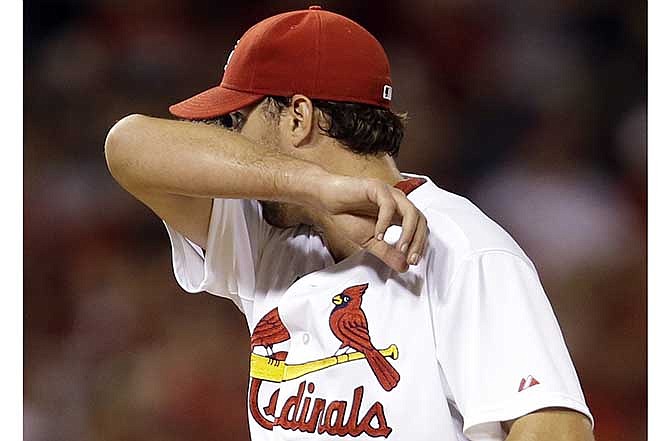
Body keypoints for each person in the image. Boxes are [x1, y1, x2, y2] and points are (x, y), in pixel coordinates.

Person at [105, 6, 594, 441]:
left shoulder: (461, 245)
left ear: (298, 117)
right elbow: (127, 146)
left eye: (239, 120)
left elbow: (556, 427)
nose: (231, 140)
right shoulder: (276, 236)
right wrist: (315, 186)